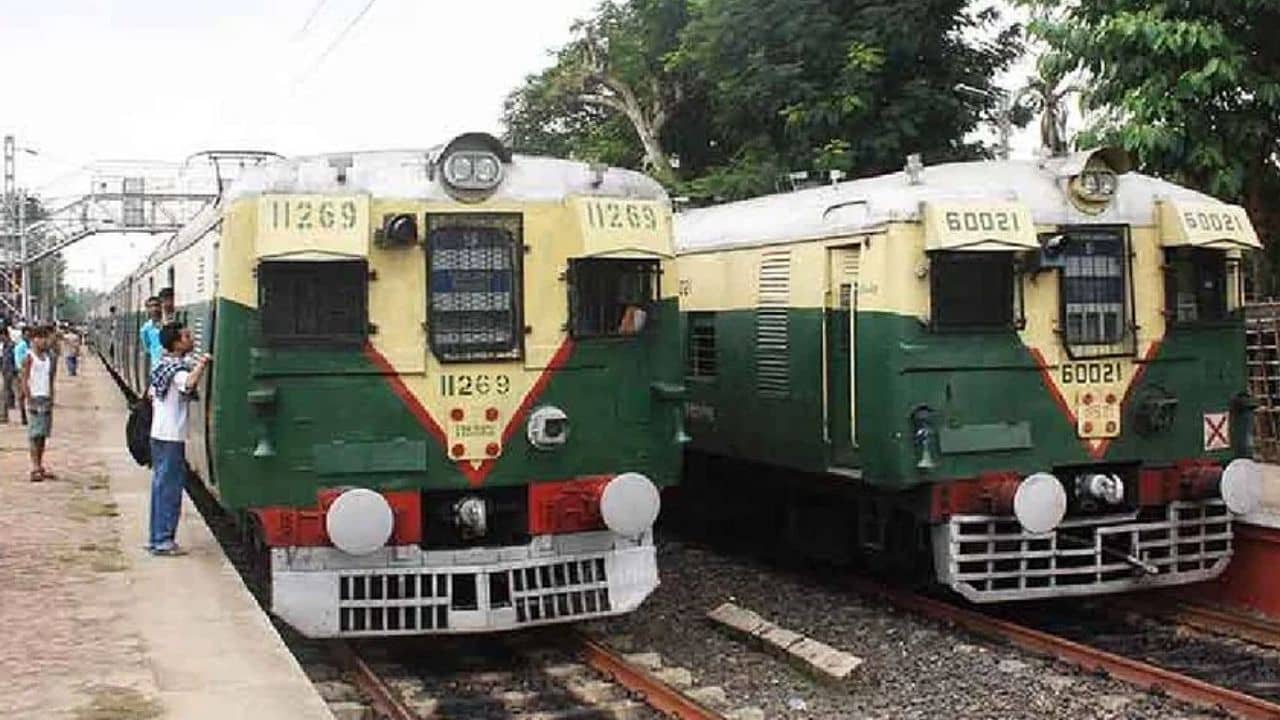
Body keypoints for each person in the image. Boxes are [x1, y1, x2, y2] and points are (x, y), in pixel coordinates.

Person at [147, 322, 211, 556]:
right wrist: (203, 363)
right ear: (176, 343)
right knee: (170, 490)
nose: (191, 338)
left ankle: (156, 537)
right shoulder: (176, 369)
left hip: (159, 434)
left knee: (159, 488)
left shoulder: (162, 365)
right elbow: (188, 383)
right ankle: (163, 540)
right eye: (186, 336)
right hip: (171, 436)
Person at [21, 327, 55, 482]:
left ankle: (40, 465)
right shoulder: (28, 357)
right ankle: (34, 467)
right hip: (35, 399)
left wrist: (52, 397)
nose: (45, 341)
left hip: (45, 398)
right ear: (34, 339)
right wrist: (29, 399)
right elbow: (24, 380)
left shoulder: (48, 358)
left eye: (46, 338)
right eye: (42, 338)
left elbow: (50, 380)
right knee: (34, 434)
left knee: (42, 435)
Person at [140, 296, 163, 373]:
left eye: (156, 305)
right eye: (151, 306)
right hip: (156, 366)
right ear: (147, 309)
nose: (154, 309)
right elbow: (146, 348)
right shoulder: (145, 329)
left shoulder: (167, 325)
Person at [13, 325, 30, 425]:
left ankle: (25, 415)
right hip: (22, 372)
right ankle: (23, 416)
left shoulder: (27, 345)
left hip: (26, 372)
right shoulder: (21, 346)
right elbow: (19, 361)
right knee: (23, 395)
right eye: (27, 334)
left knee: (23, 395)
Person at [0, 324, 14, 424]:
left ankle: (4, 415)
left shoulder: (11, 346)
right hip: (4, 372)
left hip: (10, 372)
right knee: (4, 393)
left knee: (5, 393)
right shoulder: (3, 346)